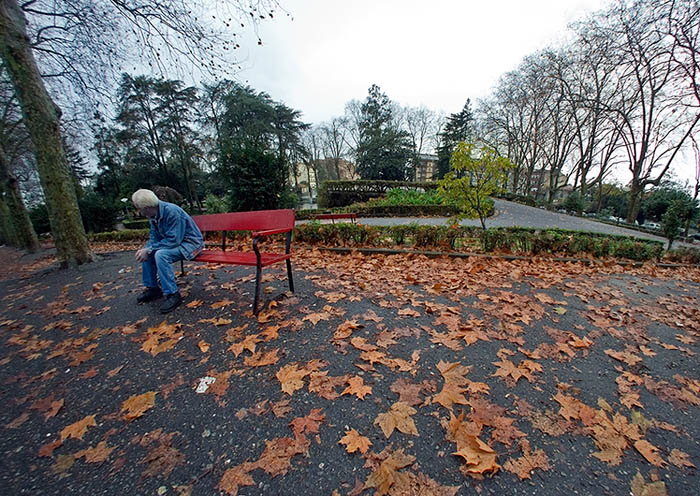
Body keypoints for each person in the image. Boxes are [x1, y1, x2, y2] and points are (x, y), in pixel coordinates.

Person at [131, 189, 204, 313]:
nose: (139, 211)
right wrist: (147, 249)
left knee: (160, 254)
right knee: (148, 251)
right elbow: (154, 239)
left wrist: (149, 249)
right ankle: (153, 288)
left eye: (139, 208)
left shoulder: (171, 211)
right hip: (177, 243)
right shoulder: (153, 215)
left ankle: (172, 294)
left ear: (146, 207)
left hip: (191, 245)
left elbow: (174, 240)